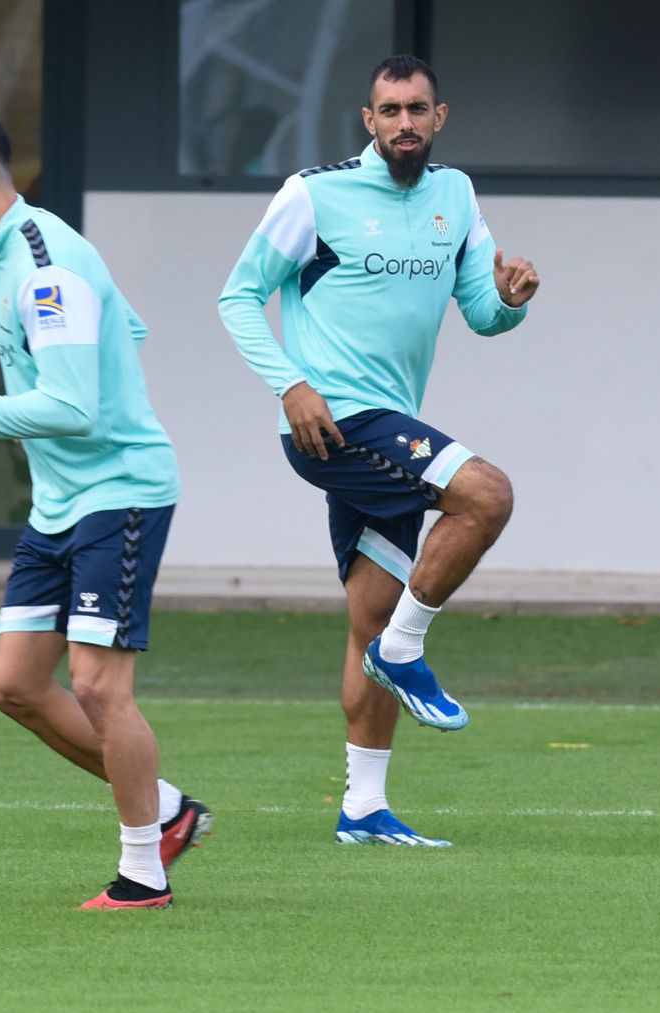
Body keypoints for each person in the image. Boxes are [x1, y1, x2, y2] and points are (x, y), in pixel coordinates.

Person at [217, 56, 540, 847]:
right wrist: (289, 384)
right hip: (332, 425)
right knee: (487, 494)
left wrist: (508, 301)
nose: (403, 122)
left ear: (440, 117)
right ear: (367, 120)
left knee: (369, 615)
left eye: (416, 109)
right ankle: (408, 646)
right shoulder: (314, 193)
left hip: (391, 424)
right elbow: (237, 295)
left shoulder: (455, 196)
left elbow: (478, 313)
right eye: (389, 109)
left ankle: (363, 806)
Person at [0, 103, 209, 909]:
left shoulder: (42, 263)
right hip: (61, 503)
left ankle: (143, 872)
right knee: (16, 685)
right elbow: (128, 327)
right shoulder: (13, 252)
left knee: (102, 688)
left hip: (120, 496)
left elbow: (72, 406)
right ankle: (169, 807)